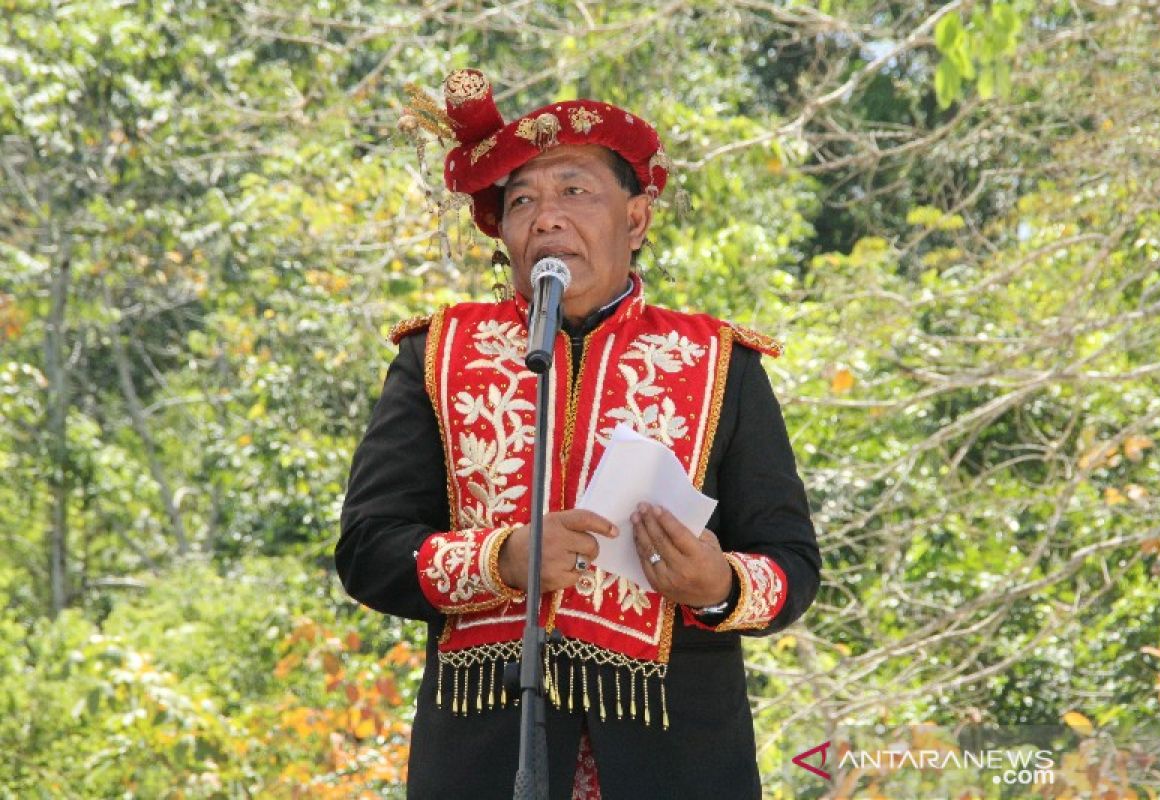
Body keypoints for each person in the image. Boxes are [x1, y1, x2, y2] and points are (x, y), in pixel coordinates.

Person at [337, 69, 821, 799]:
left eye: (575, 191)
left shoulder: (723, 362)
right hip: (484, 761)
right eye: (522, 199)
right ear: (500, 231)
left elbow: (792, 566)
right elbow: (369, 551)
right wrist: (503, 558)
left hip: (679, 759)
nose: (546, 217)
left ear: (635, 219)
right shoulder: (435, 354)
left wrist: (720, 585)